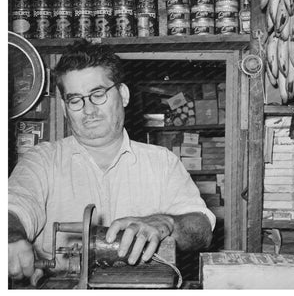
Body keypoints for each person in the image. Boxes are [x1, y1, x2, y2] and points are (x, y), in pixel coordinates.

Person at [8, 40, 215, 286]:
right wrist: (11, 236)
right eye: (75, 100)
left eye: (98, 94)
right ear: (64, 108)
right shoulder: (41, 161)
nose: (88, 110)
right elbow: (14, 206)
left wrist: (167, 222)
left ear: (123, 95)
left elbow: (202, 230)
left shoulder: (162, 163)